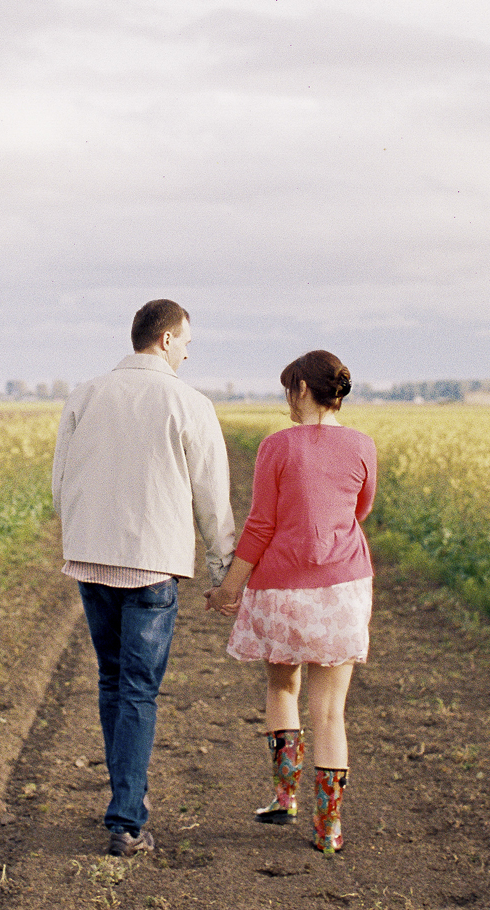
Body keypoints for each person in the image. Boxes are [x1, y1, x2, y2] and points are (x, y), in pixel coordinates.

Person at [52, 298, 236, 856]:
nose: (186, 351)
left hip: (91, 558)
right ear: (164, 340)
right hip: (153, 563)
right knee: (137, 689)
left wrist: (84, 530)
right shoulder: (189, 402)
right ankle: (127, 818)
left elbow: (61, 484)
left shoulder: (84, 394)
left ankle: (125, 802)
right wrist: (222, 570)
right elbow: (212, 497)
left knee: (113, 681)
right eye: (185, 341)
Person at [206, 349, 375, 853]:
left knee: (283, 687)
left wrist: (230, 588)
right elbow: (359, 509)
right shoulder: (363, 445)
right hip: (342, 588)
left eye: (287, 389)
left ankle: (284, 798)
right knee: (330, 712)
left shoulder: (276, 447)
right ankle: (329, 829)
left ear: (301, 388)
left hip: (281, 590)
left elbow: (260, 525)